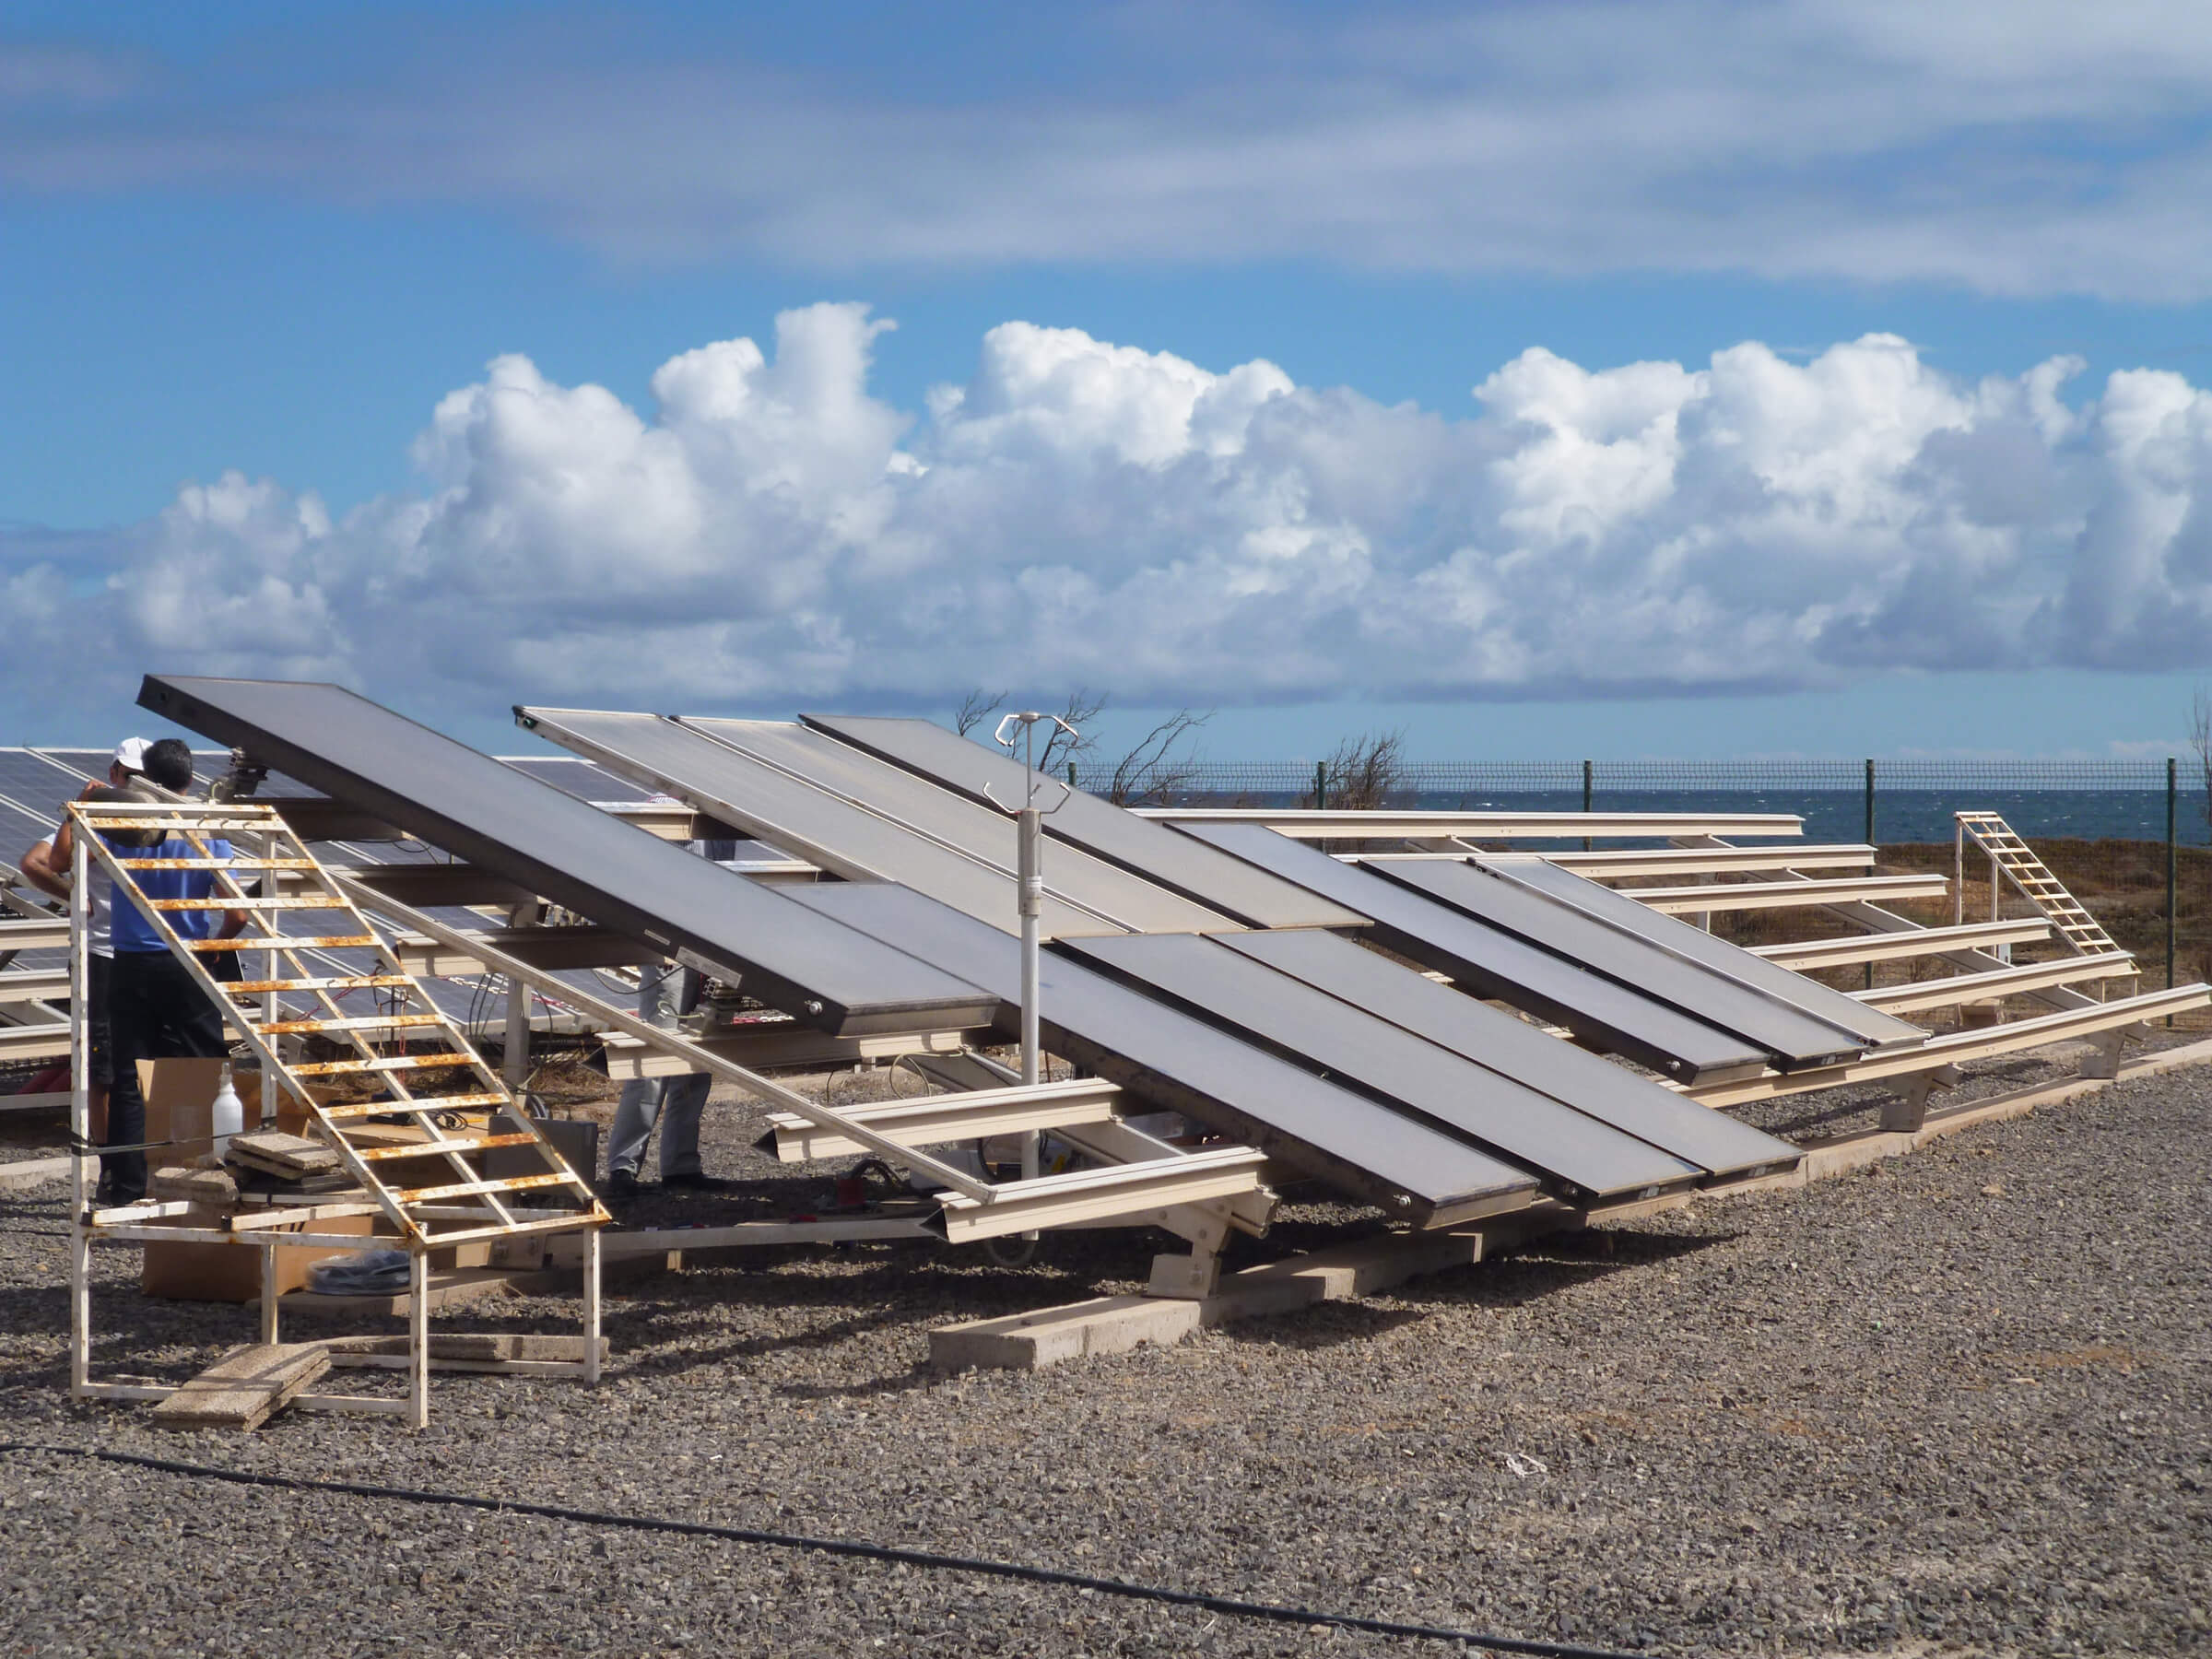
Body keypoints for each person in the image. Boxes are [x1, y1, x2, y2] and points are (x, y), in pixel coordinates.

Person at [98, 740, 248, 1205]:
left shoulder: (122, 827)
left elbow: (62, 861)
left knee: (128, 1075)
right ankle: (217, 1174)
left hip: (130, 961)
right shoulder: (204, 832)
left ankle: (125, 1186)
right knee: (207, 1070)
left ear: (145, 778)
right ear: (188, 779)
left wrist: (95, 799)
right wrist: (216, 947)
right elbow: (238, 913)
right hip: (187, 959)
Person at [603, 959, 732, 1197]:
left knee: (696, 1065)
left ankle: (680, 1166)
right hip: (672, 957)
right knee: (652, 1064)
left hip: (712, 954)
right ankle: (624, 1166)